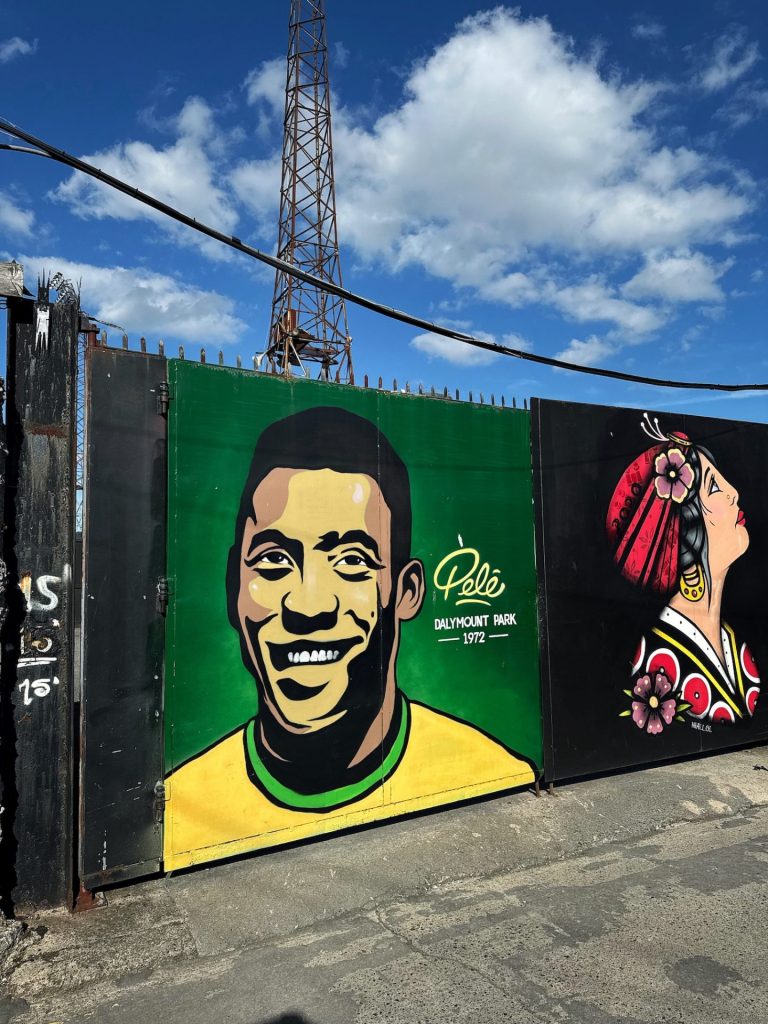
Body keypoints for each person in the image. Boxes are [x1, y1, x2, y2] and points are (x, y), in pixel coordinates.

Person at [164, 406, 535, 869]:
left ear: (406, 591)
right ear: (232, 588)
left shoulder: (494, 770)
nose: (307, 604)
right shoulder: (184, 800)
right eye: (275, 561)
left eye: (352, 561)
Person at [607, 413, 760, 736]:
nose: (734, 493)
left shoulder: (735, 646)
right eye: (715, 486)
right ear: (683, 534)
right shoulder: (656, 664)